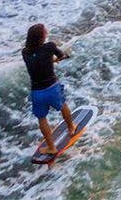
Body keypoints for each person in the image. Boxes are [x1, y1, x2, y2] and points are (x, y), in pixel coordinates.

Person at [22, 24, 76, 155]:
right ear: (42, 37)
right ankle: (71, 128)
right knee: (63, 106)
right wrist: (56, 58)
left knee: (42, 119)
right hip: (52, 88)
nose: (47, 33)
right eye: (45, 32)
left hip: (37, 93)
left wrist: (50, 59)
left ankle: (51, 147)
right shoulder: (50, 46)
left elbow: (37, 59)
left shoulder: (25, 52)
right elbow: (61, 55)